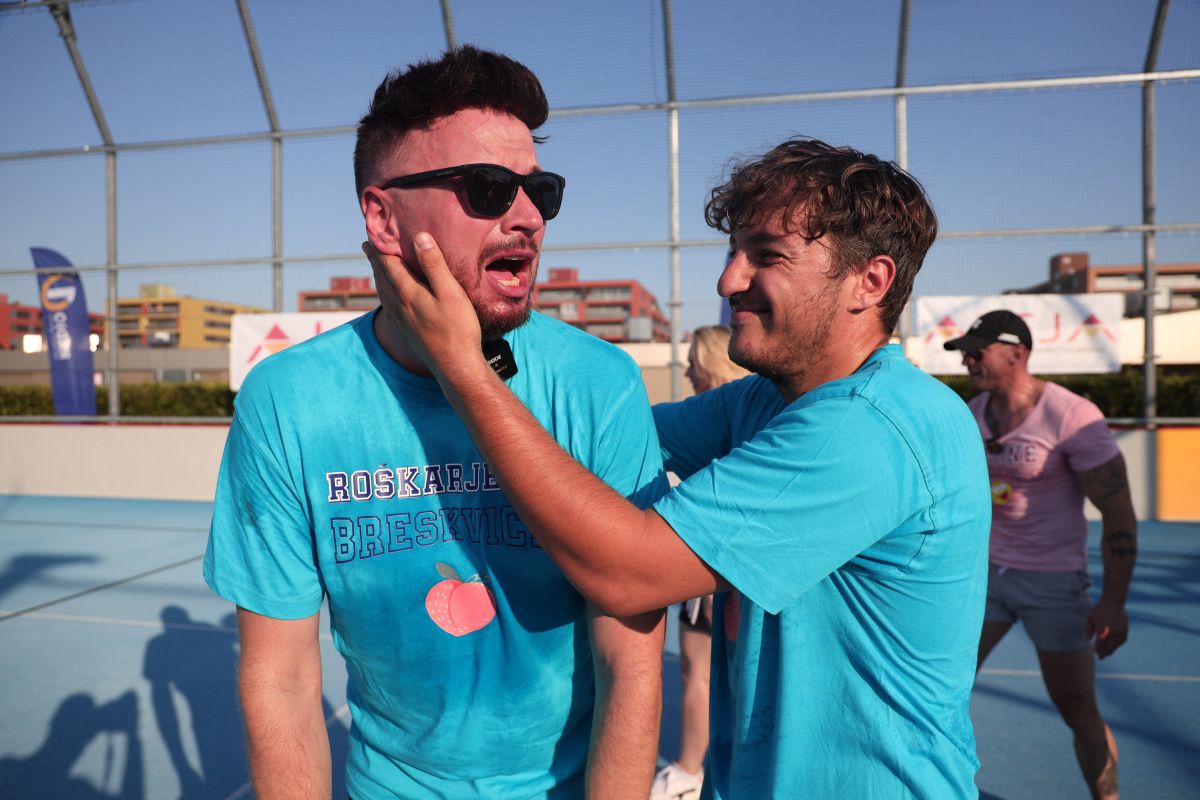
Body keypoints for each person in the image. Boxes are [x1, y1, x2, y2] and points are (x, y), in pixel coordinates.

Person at [365, 137, 992, 798]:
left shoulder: (874, 427)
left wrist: (462, 366)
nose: (729, 282)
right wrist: (480, 331)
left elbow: (628, 572)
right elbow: (599, 441)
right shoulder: (766, 401)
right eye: (733, 252)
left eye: (767, 255)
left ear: (871, 281)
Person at [203, 46, 668, 800]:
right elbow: (281, 677)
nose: (527, 216)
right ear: (383, 216)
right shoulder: (289, 401)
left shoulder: (597, 382)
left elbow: (633, 663)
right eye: (487, 187)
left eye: (540, 190)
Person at [944, 309, 1137, 800]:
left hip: (1052, 583)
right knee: (938, 690)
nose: (967, 361)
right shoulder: (971, 412)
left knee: (1078, 710)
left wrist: (1113, 602)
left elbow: (1118, 514)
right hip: (984, 579)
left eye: (977, 352)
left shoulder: (1071, 416)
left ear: (1017, 353)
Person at [652, 324, 748, 800]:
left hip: (715, 568)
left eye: (694, 362)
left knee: (702, 673)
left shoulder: (731, 419)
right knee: (708, 674)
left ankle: (688, 774)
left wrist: (712, 582)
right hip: (714, 567)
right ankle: (692, 773)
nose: (688, 371)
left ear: (711, 364)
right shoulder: (734, 414)